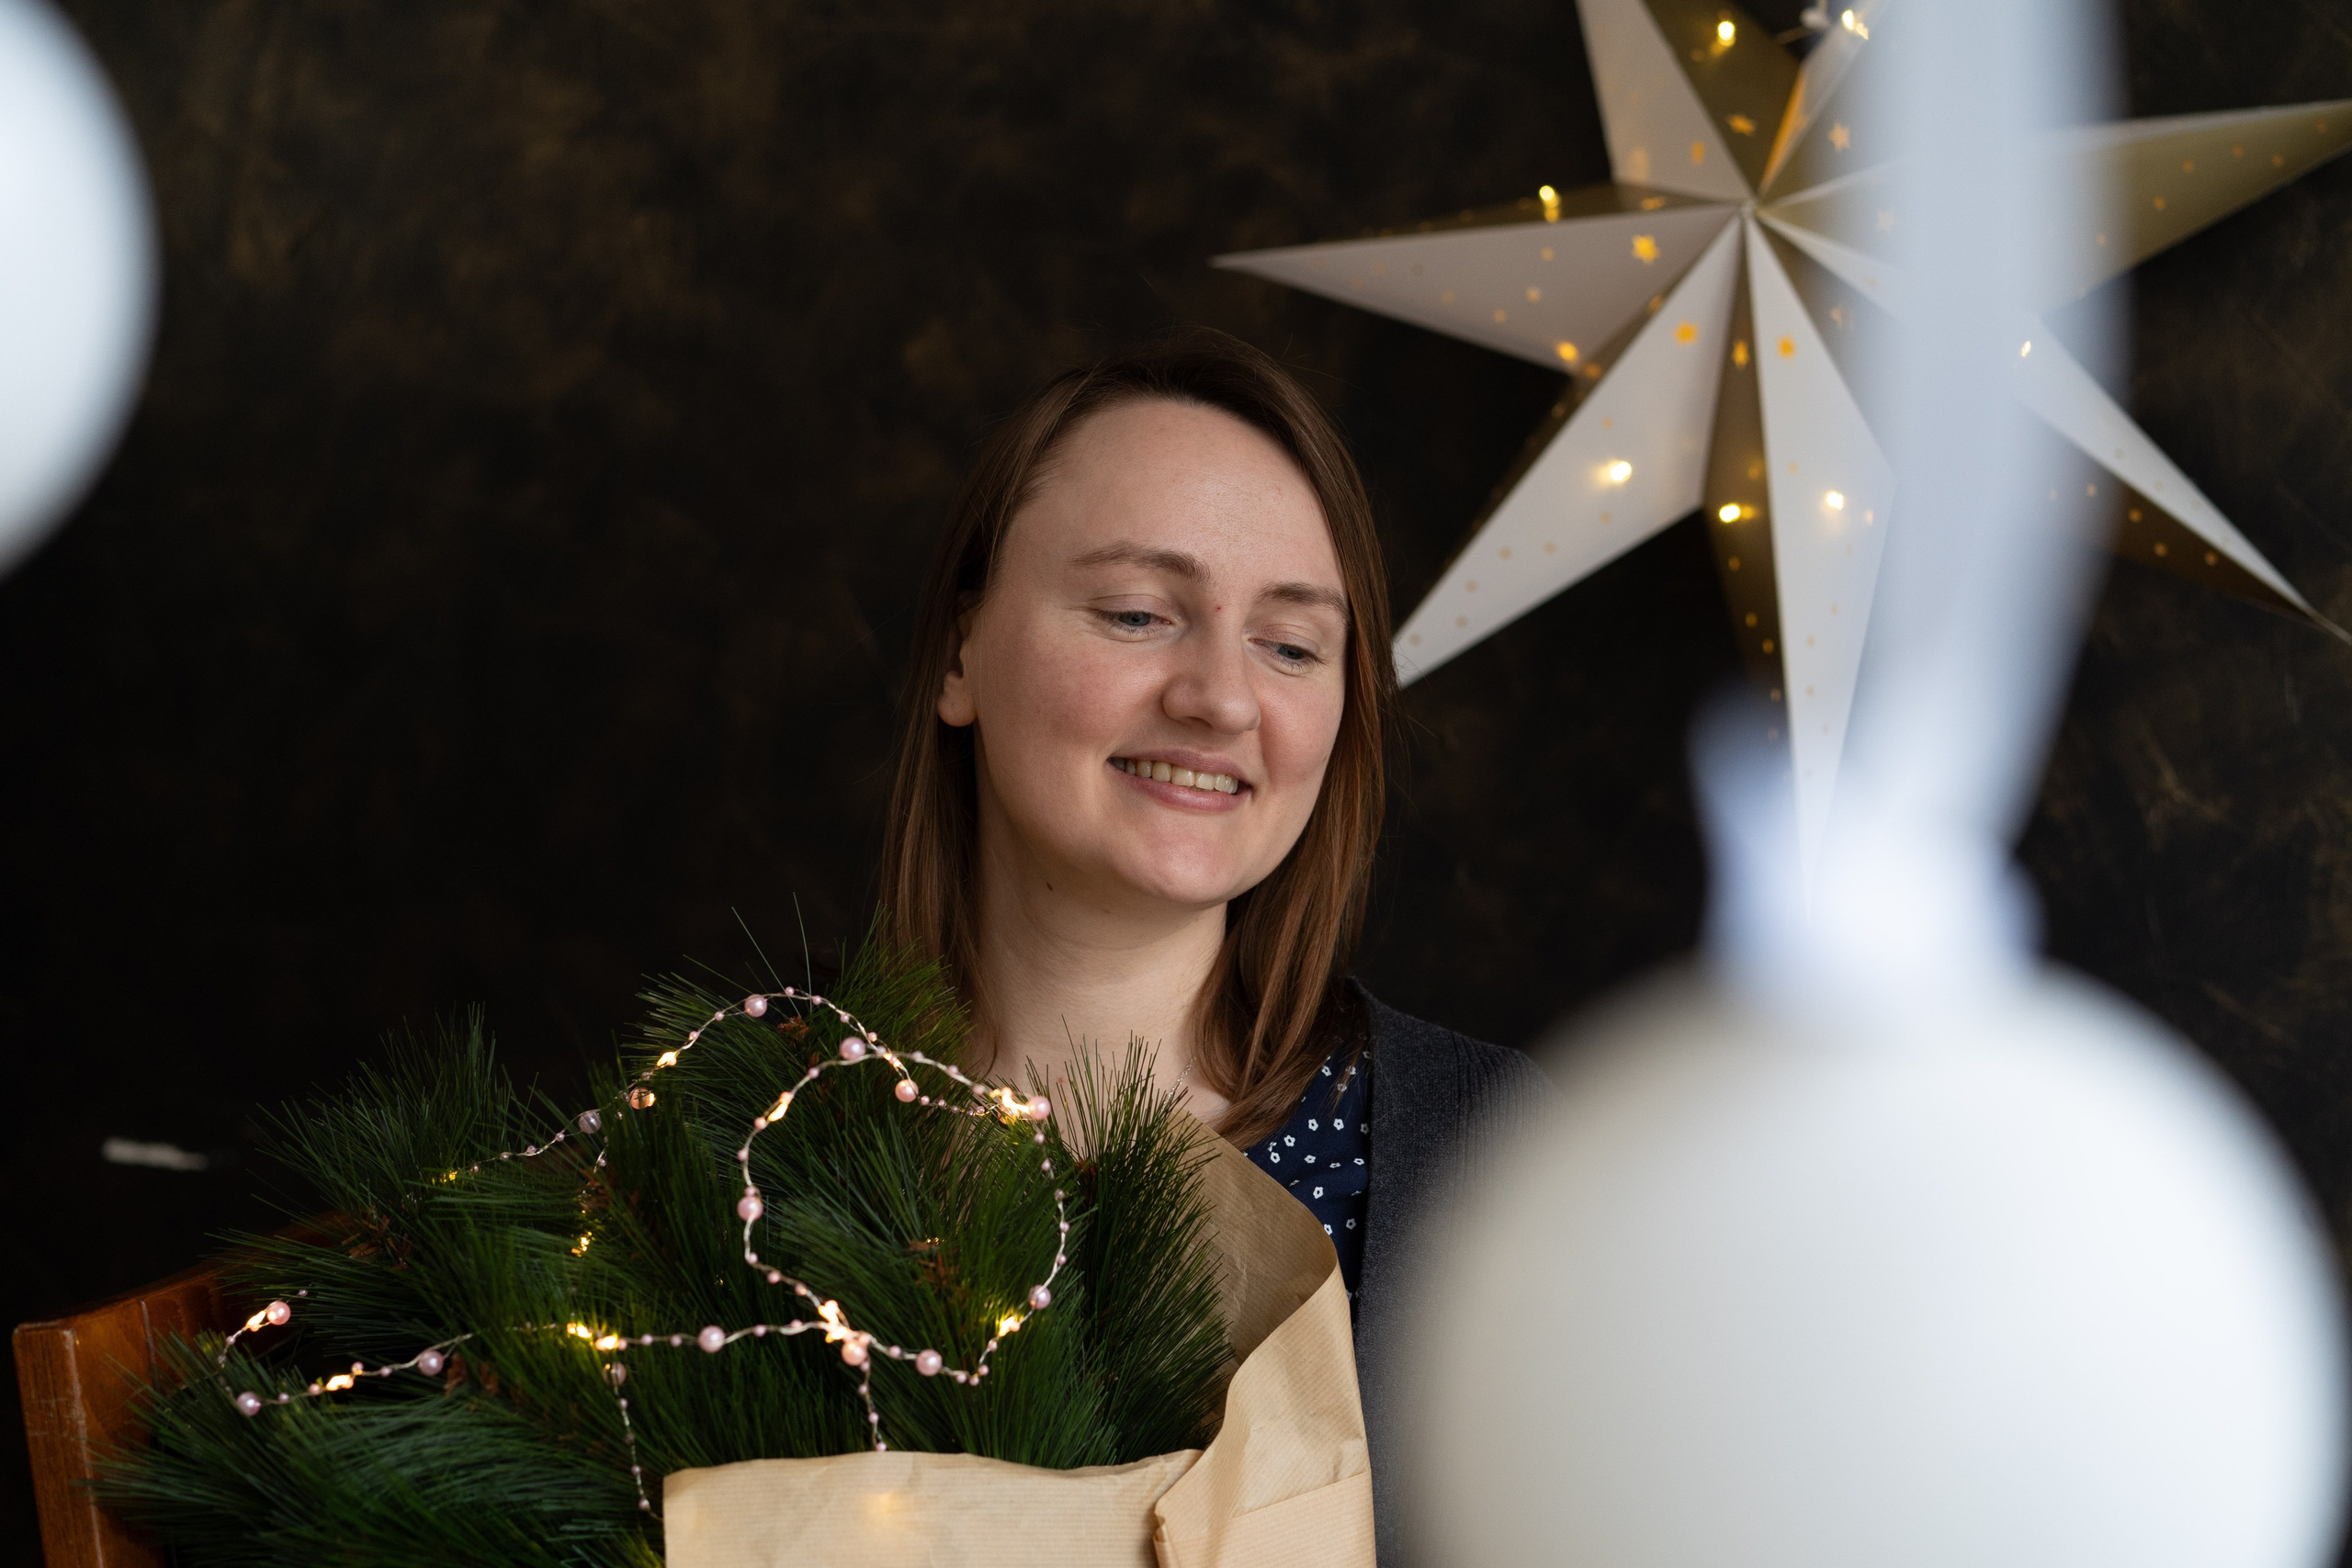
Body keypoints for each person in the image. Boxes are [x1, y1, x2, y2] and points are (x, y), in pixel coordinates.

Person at [878, 326, 1545, 1557]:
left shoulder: (1515, 1171)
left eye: (1291, 645)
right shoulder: (722, 1145)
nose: (1223, 698)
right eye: (1139, 614)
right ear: (963, 648)